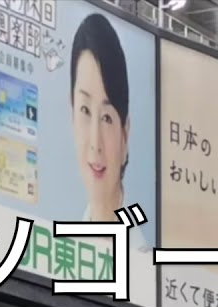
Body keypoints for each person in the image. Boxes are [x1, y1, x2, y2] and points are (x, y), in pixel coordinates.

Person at [68, 11, 146, 256]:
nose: (95, 143)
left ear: (125, 134)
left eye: (107, 118)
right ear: (72, 114)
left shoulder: (145, 258)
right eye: (85, 110)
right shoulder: (64, 246)